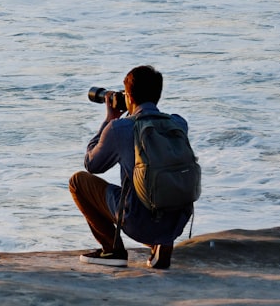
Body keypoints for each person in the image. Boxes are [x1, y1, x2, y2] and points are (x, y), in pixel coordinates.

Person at [69, 65, 193, 269]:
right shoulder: (179, 123)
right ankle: (161, 243)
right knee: (159, 189)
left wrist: (109, 120)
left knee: (78, 182)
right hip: (176, 221)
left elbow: (92, 164)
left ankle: (112, 249)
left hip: (139, 221)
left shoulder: (120, 128)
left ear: (129, 97)